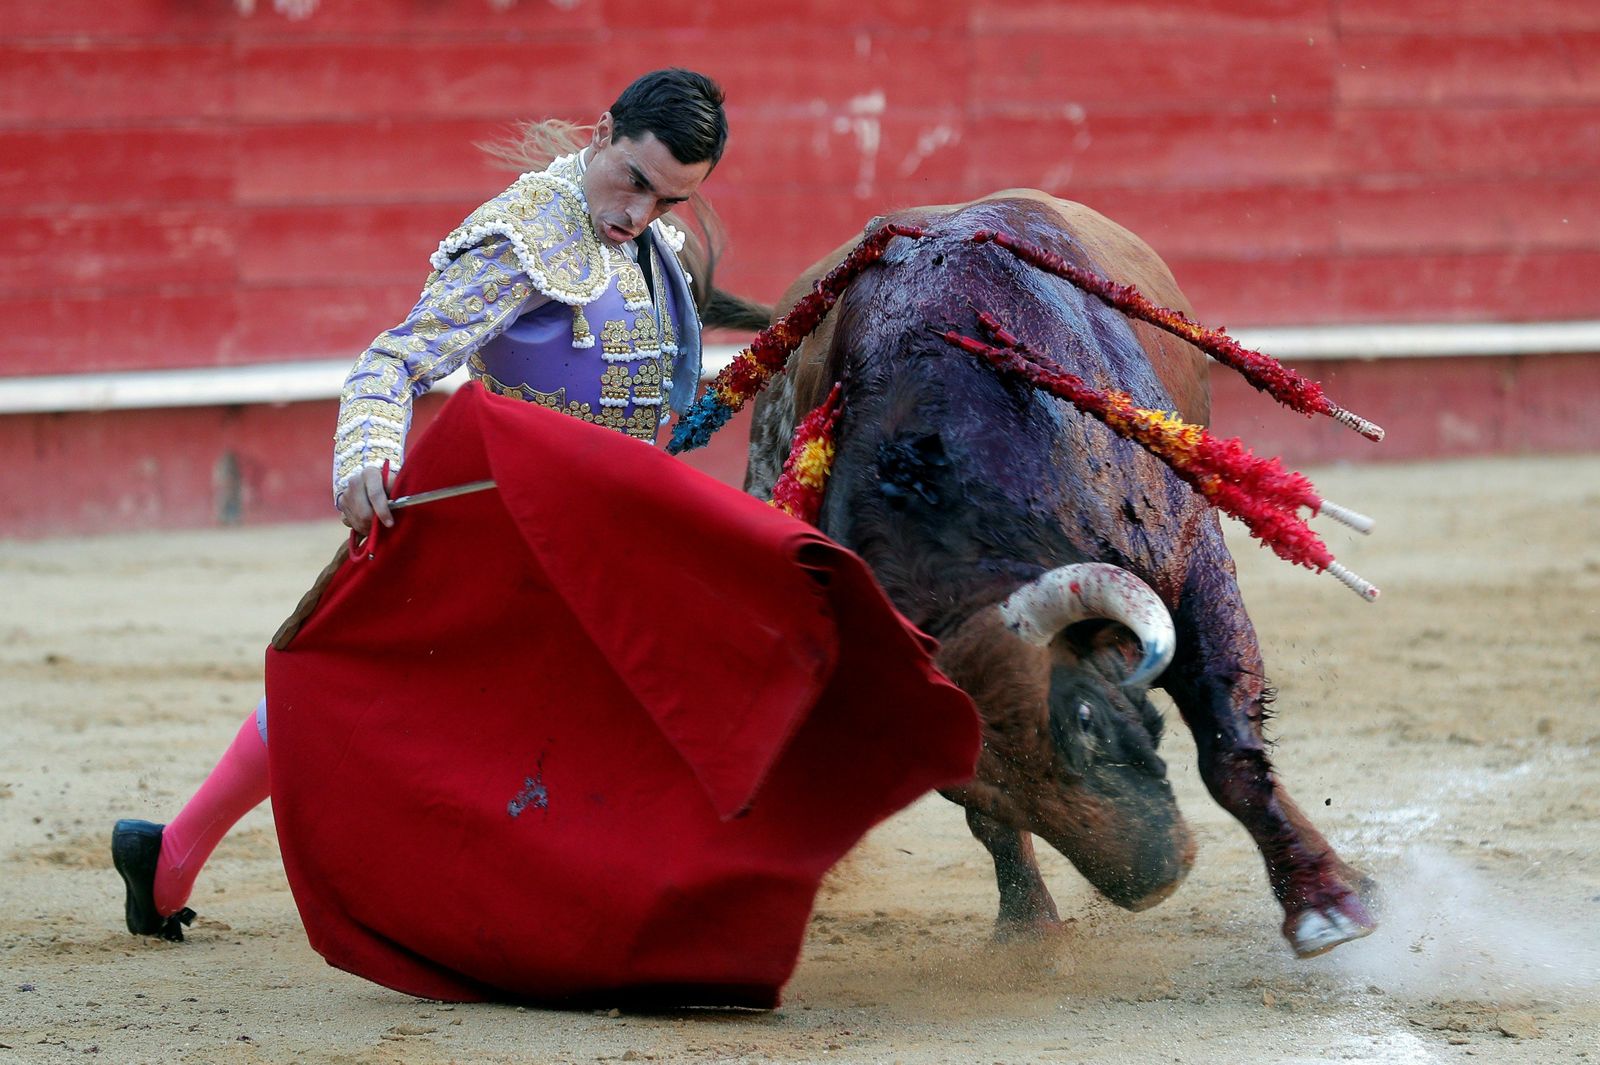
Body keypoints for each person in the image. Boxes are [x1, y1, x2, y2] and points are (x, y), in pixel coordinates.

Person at [112, 68, 732, 942]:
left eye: (667, 203)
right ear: (601, 134)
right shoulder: (522, 242)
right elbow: (391, 361)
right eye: (633, 181)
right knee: (351, 692)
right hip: (507, 529)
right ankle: (171, 853)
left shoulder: (646, 248)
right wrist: (368, 451)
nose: (638, 214)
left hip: (604, 534)